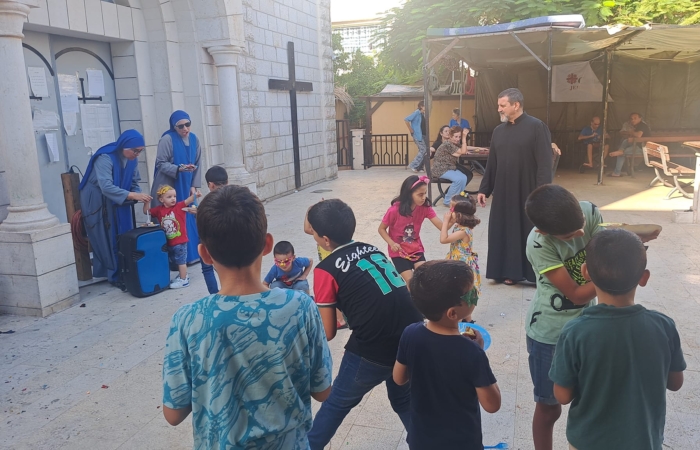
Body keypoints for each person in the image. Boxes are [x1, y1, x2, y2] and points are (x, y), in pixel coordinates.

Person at [162, 185, 333, 448]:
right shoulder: (301, 307)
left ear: (204, 254)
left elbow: (173, 413)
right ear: (267, 245)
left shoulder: (188, 319)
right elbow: (322, 391)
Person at [523, 184, 660, 450]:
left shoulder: (589, 212)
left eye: (582, 228)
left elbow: (604, 250)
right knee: (549, 408)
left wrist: (627, 243)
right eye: (569, 237)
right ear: (543, 232)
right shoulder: (538, 242)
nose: (580, 235)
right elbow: (575, 294)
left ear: (578, 205)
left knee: (593, 399)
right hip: (550, 333)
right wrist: (619, 278)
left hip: (591, 327)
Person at [550, 229, 685, 450]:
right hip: (644, 441)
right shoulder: (663, 326)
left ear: (585, 272)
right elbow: (675, 383)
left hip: (588, 443)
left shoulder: (575, 332)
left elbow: (562, 395)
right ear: (644, 278)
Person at [306, 199, 424, 449]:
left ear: (325, 240)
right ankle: (426, 443)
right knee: (403, 400)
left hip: (372, 349)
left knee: (337, 403)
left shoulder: (325, 270)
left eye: (314, 233)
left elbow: (328, 332)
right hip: (412, 336)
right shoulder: (372, 248)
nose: (311, 233)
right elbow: (315, 227)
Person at [393, 260, 501, 449]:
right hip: (462, 442)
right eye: (470, 294)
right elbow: (492, 405)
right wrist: (480, 353)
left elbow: (398, 378)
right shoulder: (471, 352)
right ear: (452, 313)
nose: (475, 294)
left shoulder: (410, 333)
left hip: (421, 439)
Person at [477, 88, 553, 285]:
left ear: (516, 105)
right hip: (503, 192)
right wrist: (484, 189)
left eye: (503, 105)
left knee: (527, 230)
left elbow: (545, 164)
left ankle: (533, 274)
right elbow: (492, 163)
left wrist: (542, 194)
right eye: (499, 105)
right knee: (504, 229)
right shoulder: (498, 131)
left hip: (527, 190)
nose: (499, 109)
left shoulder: (537, 127)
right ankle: (507, 272)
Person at [79, 130, 152, 283]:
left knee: (123, 232)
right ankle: (113, 273)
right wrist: (132, 195)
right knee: (106, 235)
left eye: (140, 151)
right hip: (97, 200)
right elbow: (105, 186)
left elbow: (134, 182)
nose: (137, 154)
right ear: (124, 146)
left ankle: (126, 269)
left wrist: (137, 194)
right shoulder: (105, 157)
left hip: (120, 198)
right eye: (135, 150)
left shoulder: (132, 160)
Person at [148, 110, 202, 264]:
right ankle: (174, 260)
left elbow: (198, 163)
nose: (185, 129)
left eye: (188, 124)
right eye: (180, 126)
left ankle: (192, 255)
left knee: (188, 215)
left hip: (187, 185)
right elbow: (161, 163)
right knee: (171, 218)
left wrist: (194, 185)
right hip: (170, 186)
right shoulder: (167, 139)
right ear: (174, 127)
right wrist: (178, 168)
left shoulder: (194, 139)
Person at [378, 175, 443, 287]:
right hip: (398, 252)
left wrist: (451, 219)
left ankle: (421, 303)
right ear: (409, 194)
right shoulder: (394, 210)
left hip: (416, 249)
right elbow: (381, 229)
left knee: (423, 276)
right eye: (420, 194)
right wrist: (392, 243)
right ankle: (411, 304)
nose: (424, 198)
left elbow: (441, 226)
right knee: (411, 281)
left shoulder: (425, 208)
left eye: (425, 193)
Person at [439, 192, 482, 323]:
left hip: (461, 265)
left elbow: (443, 239)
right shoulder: (460, 226)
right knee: (459, 293)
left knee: (461, 293)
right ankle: (467, 320)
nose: (449, 211)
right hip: (457, 261)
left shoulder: (463, 231)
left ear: (459, 214)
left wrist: (446, 221)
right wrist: (451, 220)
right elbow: (444, 230)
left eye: (451, 209)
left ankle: (465, 319)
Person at [148, 185, 200, 289]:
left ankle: (184, 280)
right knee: (176, 262)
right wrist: (146, 202)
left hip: (180, 241)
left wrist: (195, 195)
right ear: (161, 200)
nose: (173, 199)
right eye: (169, 197)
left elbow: (188, 200)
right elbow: (147, 212)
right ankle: (183, 276)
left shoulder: (179, 206)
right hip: (169, 242)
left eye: (174, 196)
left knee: (181, 261)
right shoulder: (159, 210)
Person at [433, 126, 484, 205]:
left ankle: (457, 199)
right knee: (458, 180)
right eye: (455, 137)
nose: (457, 139)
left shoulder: (454, 144)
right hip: (441, 169)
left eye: (459, 137)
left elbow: (465, 148)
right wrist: (464, 137)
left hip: (449, 168)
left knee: (464, 177)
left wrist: (480, 148)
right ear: (450, 136)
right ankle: (447, 201)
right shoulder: (448, 144)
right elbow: (463, 151)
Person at [609, 112, 651, 177]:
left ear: (640, 119)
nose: (633, 120)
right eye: (631, 119)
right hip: (636, 145)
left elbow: (638, 135)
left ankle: (617, 172)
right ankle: (621, 151)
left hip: (643, 148)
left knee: (622, 154)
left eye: (635, 118)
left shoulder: (642, 125)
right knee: (625, 141)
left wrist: (630, 132)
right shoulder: (637, 126)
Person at [405, 101, 427, 173]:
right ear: (421, 106)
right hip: (417, 135)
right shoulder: (416, 112)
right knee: (423, 150)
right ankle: (413, 165)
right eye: (425, 105)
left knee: (425, 151)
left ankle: (420, 167)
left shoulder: (422, 114)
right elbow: (406, 119)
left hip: (423, 135)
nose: (426, 107)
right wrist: (411, 130)